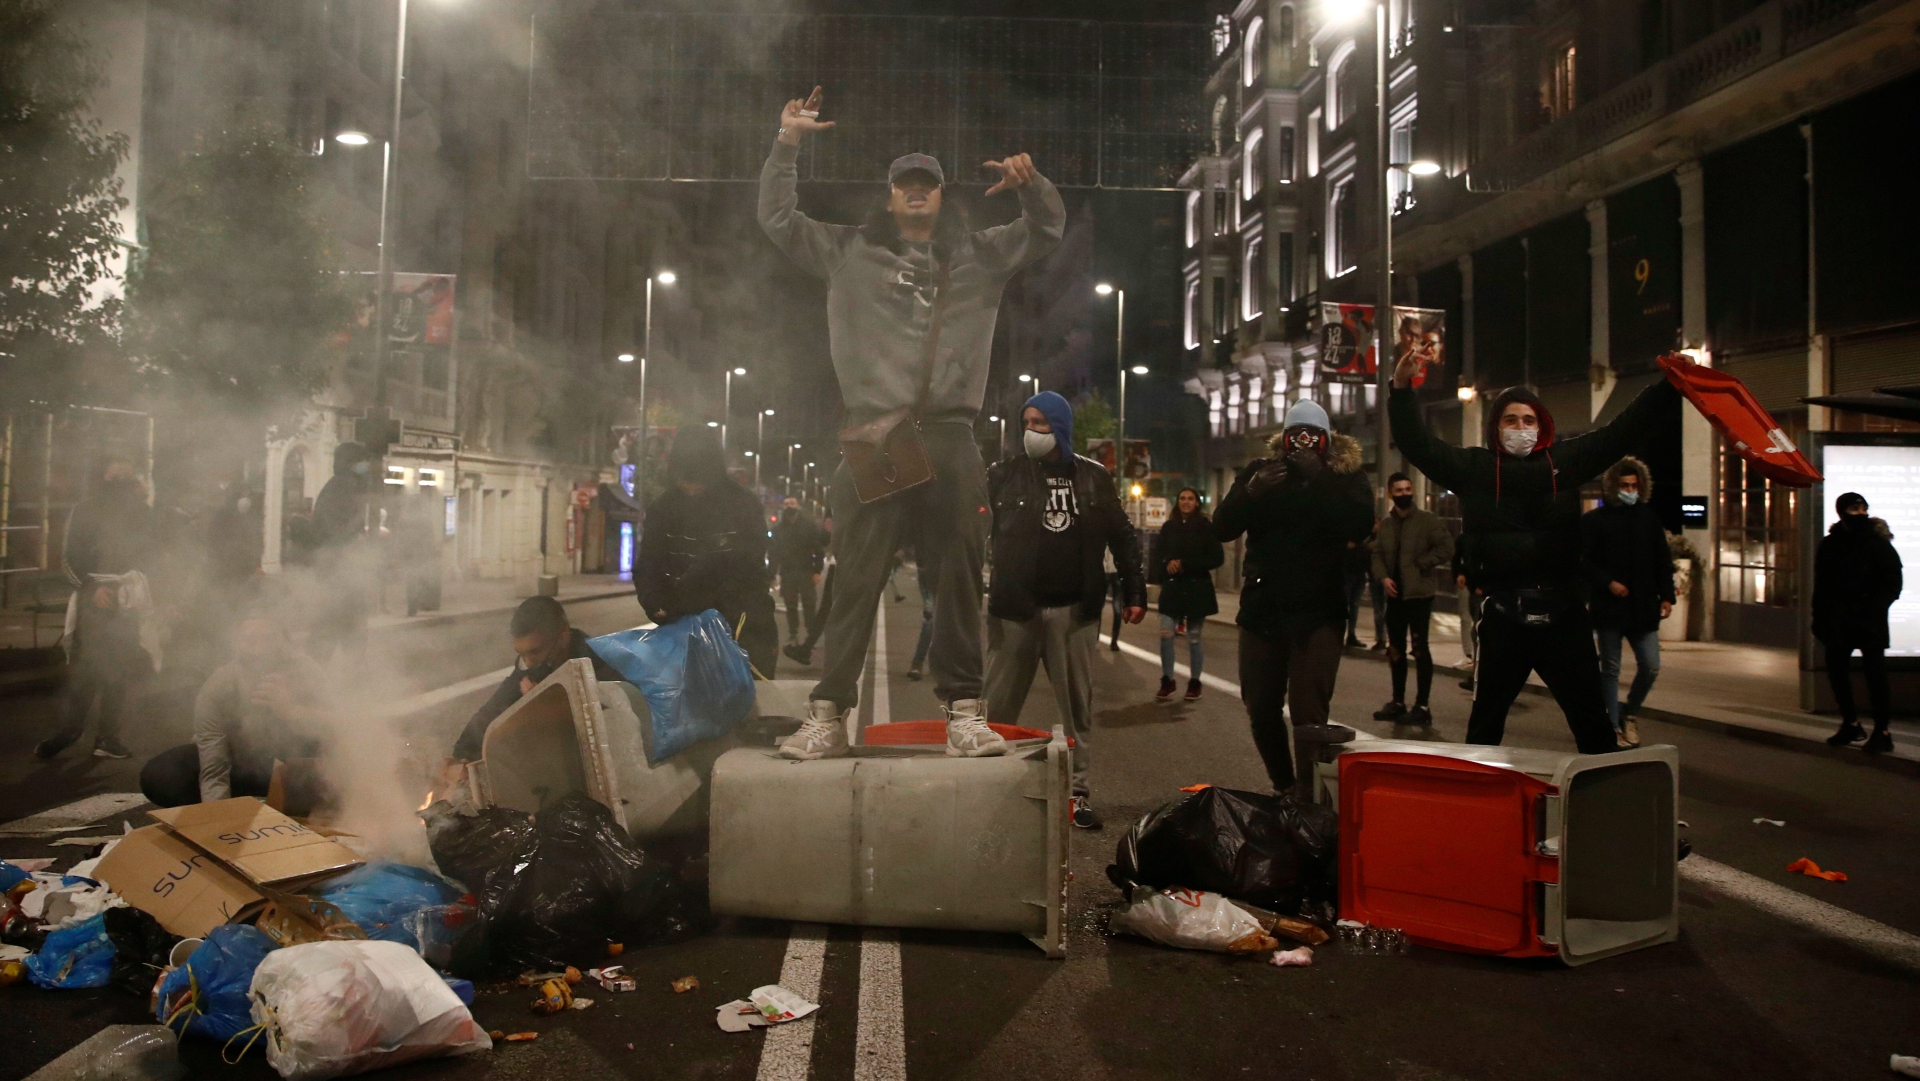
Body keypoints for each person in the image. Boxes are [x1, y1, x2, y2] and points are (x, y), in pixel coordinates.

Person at [760, 85, 1065, 759]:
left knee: (958, 574)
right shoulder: (847, 250)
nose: (916, 192)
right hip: (877, 434)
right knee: (855, 577)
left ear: (942, 195)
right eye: (906, 184)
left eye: (927, 184)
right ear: (891, 195)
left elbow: (1046, 231)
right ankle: (828, 714)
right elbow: (778, 219)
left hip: (950, 434)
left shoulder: (981, 254)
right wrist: (787, 143)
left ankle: (964, 713)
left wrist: (1033, 187)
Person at [1387, 348, 1681, 753]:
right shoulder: (1475, 469)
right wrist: (1402, 388)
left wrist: (1669, 387)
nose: (1520, 427)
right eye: (1510, 420)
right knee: (1484, 733)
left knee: (1594, 731)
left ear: (1541, 425)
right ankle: (1480, 792)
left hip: (1565, 616)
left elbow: (1621, 433)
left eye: (1528, 420)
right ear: (1496, 427)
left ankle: (1601, 791)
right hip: (1505, 616)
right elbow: (1417, 445)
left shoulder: (1565, 462)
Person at [983, 393, 1145, 828]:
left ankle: (1076, 793)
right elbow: (971, 528)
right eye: (1026, 422)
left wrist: (1135, 590)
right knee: (996, 710)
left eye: (1039, 423)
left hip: (1074, 611)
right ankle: (985, 786)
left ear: (1059, 427)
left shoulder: (1093, 478)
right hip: (1016, 610)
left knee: (1076, 710)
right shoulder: (1003, 475)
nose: (1030, 431)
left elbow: (1122, 535)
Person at [1215, 400, 1374, 792]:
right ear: (1284, 439)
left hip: (1318, 611)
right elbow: (1222, 527)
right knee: (1260, 706)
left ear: (1326, 440)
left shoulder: (1346, 476)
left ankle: (1308, 797)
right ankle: (1284, 786)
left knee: (1308, 714)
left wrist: (1320, 478)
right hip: (1263, 608)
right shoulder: (1261, 471)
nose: (1303, 442)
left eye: (1312, 435)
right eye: (1295, 435)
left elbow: (1359, 524)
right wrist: (1250, 492)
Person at [139, 611, 329, 807]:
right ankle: (248, 805)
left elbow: (339, 730)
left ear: (285, 642)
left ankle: (297, 803)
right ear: (236, 644)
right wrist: (220, 816)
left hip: (295, 767)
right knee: (161, 774)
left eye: (270, 639)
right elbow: (214, 766)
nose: (259, 650)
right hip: (242, 765)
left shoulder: (307, 671)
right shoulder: (219, 686)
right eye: (250, 641)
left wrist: (292, 711)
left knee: (333, 767)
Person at [634, 427, 780, 677]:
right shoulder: (663, 508)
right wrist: (654, 601)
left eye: (698, 482)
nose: (691, 489)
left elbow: (751, 569)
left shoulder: (742, 505)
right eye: (684, 481)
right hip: (683, 631)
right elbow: (648, 564)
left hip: (743, 629)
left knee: (748, 698)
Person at [36, 457, 153, 760]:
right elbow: (69, 558)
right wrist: (91, 589)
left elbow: (151, 554)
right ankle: (70, 731)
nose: (122, 480)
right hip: (94, 602)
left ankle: (107, 738)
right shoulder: (84, 510)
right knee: (90, 668)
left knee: (120, 670)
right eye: (116, 474)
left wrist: (139, 586)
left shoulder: (141, 512)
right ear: (103, 476)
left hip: (126, 599)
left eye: (127, 475)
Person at [448, 595, 624, 764]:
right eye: (522, 654)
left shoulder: (602, 661)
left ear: (563, 637)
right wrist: (462, 754)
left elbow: (617, 722)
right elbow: (495, 709)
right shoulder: (531, 666)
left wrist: (551, 710)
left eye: (534, 652)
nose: (528, 663)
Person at [1581, 457, 1675, 748]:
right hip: (1609, 607)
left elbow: (1662, 560)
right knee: (1610, 668)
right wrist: (1607, 582)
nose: (1630, 490)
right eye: (1624, 485)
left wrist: (1667, 595)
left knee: (1651, 665)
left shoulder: (1649, 519)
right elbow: (1583, 561)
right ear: (1613, 487)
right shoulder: (1596, 521)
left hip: (1643, 607)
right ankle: (1611, 726)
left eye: (1634, 486)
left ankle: (1629, 712)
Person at [1812, 492, 1903, 755]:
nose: (1861, 513)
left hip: (1868, 619)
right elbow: (1822, 584)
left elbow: (1892, 583)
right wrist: (1819, 616)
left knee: (1875, 674)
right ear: (1842, 511)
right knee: (1837, 670)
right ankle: (1851, 723)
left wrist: (1874, 606)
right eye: (1854, 508)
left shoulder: (1877, 544)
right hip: (1839, 618)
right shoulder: (1831, 544)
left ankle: (1881, 730)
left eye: (1863, 508)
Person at [1371, 472, 1454, 726]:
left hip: (1419, 595)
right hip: (1395, 597)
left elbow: (1447, 547)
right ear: (1390, 494)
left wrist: (1422, 564)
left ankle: (1422, 706)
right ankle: (1398, 702)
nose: (1405, 494)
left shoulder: (1427, 521)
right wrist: (1384, 578)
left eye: (1408, 489)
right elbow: (1377, 555)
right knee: (1395, 650)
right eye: (1399, 490)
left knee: (1420, 650)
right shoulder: (1387, 525)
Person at [307, 441, 375, 663]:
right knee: (339, 625)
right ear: (352, 462)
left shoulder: (344, 486)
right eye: (362, 461)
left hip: (340, 569)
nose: (366, 465)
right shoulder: (343, 487)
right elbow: (331, 529)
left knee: (338, 625)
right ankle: (323, 673)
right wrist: (352, 542)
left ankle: (334, 669)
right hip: (339, 569)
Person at [1154, 487, 1223, 701]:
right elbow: (1158, 553)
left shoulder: (1205, 527)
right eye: (1182, 498)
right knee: (1166, 633)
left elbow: (1217, 558)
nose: (1186, 502)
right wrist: (1167, 563)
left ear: (1196, 503)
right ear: (1177, 502)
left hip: (1196, 587)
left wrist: (1186, 564)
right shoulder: (1169, 527)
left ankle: (1194, 683)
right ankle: (1167, 680)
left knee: (1194, 636)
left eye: (1190, 499)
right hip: (1173, 588)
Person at [773, 495, 825, 649]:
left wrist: (817, 571)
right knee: (790, 605)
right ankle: (793, 634)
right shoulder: (779, 528)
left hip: (805, 571)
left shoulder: (808, 525)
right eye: (786, 503)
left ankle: (810, 635)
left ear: (798, 506)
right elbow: (774, 552)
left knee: (809, 604)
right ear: (783, 507)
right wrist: (772, 575)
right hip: (787, 572)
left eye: (792, 503)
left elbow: (818, 550)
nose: (789, 506)